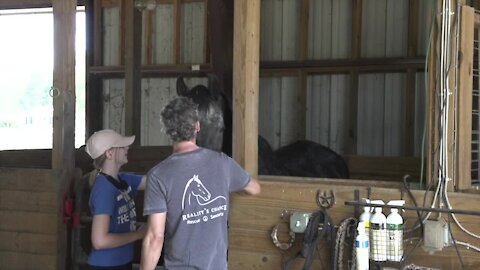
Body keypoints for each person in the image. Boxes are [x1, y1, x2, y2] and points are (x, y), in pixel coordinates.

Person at [140, 97, 261, 270]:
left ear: (168, 131)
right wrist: (228, 184)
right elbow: (254, 189)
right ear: (197, 126)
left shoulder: (158, 175)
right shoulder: (222, 163)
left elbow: (154, 237)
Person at [85, 129, 147, 270]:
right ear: (109, 153)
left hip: (120, 261)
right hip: (107, 265)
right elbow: (99, 240)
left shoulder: (123, 180)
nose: (127, 148)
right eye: (121, 145)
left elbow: (154, 183)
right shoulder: (104, 189)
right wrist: (137, 234)